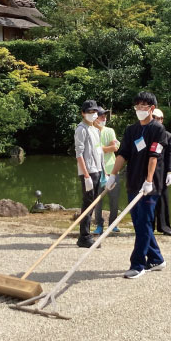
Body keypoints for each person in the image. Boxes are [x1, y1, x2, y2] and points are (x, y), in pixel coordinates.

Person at [107, 91, 167, 279]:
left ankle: (138, 264)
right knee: (139, 224)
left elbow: (153, 156)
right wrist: (113, 175)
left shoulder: (158, 129)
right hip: (133, 183)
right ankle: (156, 259)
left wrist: (149, 181)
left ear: (151, 108)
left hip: (150, 186)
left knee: (143, 224)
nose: (139, 109)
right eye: (137, 106)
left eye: (143, 106)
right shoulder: (131, 130)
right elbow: (123, 153)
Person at [75, 99, 104, 248]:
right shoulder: (81, 129)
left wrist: (104, 172)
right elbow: (79, 154)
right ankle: (84, 236)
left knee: (93, 203)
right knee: (88, 203)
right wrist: (86, 175)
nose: (93, 114)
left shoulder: (95, 129)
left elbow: (99, 152)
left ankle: (86, 233)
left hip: (97, 170)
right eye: (89, 112)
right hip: (88, 172)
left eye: (94, 112)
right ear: (83, 113)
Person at [93, 109, 121, 235]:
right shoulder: (91, 132)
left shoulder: (110, 131)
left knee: (114, 199)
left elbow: (115, 147)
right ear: (95, 118)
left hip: (112, 169)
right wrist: (106, 148)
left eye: (105, 116)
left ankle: (113, 223)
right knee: (98, 200)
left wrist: (102, 149)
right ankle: (99, 224)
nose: (104, 118)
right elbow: (93, 150)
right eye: (101, 116)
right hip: (96, 170)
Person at [151, 108, 171, 236]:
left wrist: (170, 171)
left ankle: (164, 227)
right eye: (155, 118)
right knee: (149, 199)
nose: (158, 120)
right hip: (148, 171)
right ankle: (149, 227)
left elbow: (169, 154)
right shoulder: (147, 133)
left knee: (163, 199)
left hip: (162, 171)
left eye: (160, 118)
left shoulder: (167, 135)